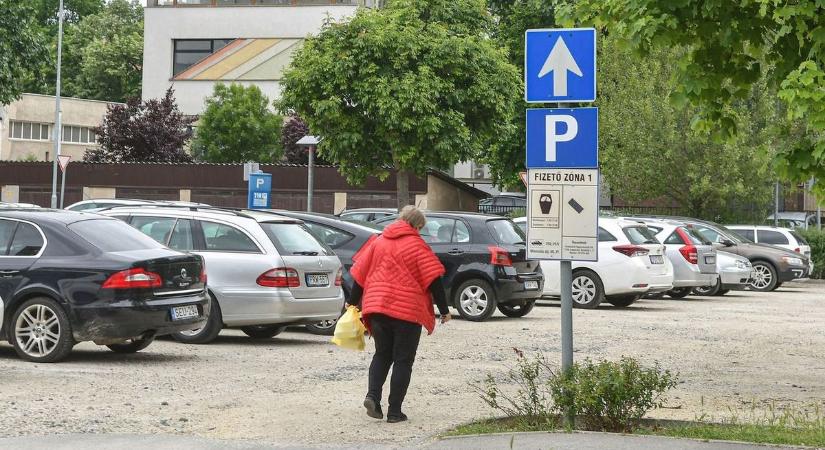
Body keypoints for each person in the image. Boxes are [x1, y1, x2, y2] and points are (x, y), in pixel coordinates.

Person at [347, 205, 452, 423]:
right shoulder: (417, 246)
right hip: (407, 312)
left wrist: (351, 303)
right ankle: (395, 412)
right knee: (403, 360)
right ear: (416, 225)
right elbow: (434, 279)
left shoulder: (378, 241)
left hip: (377, 308)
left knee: (382, 355)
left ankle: (373, 396)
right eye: (420, 228)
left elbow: (360, 276)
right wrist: (444, 310)